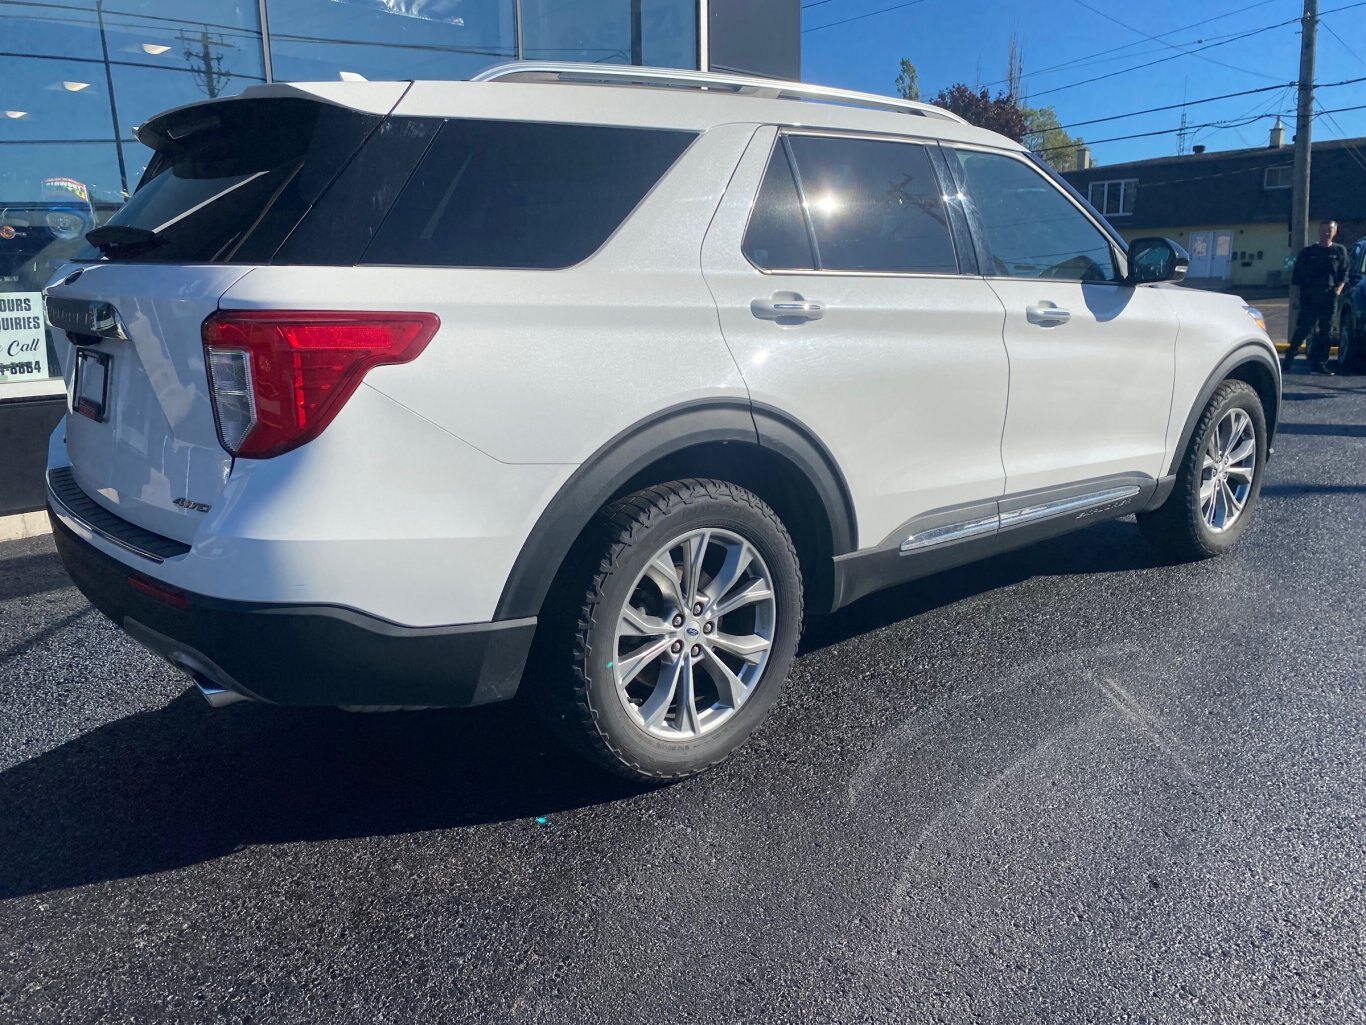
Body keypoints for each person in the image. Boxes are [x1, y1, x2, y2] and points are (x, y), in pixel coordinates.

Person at [1284, 219, 1350, 375]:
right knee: (1304, 329)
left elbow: (1344, 274)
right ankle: (1288, 358)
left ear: (1335, 232)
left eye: (1330, 230)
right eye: (1324, 230)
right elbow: (1297, 277)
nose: (1326, 233)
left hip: (1329, 297)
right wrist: (1296, 299)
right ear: (1319, 231)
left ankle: (1320, 363)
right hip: (1309, 296)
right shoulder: (1308, 252)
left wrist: (1338, 290)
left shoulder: (1340, 251)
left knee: (1325, 331)